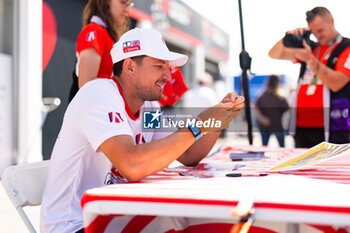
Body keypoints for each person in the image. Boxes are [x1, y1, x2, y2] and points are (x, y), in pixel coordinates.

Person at [40, 28, 245, 233]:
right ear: (129, 67)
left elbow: (188, 154)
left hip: (112, 216)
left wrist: (217, 121)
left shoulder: (149, 106)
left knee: (191, 223)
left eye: (167, 67)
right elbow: (132, 164)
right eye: (158, 66)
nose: (167, 76)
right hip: (74, 226)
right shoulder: (97, 95)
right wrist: (199, 123)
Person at [269, 6, 350, 147]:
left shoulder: (346, 47)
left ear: (331, 21)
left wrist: (310, 60)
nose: (318, 36)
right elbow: (274, 54)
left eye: (320, 30)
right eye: (313, 32)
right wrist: (289, 36)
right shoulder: (310, 48)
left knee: (329, 169)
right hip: (302, 127)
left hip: (333, 128)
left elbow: (337, 83)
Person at [68, 0, 133, 102]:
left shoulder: (107, 34)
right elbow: (86, 84)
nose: (128, 9)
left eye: (130, 4)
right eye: (123, 2)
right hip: (92, 110)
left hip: (104, 107)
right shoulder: (95, 31)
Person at [255, 75, 289, 147]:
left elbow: (256, 107)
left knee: (264, 147)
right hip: (276, 125)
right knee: (282, 148)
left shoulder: (262, 95)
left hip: (267, 125)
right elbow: (287, 107)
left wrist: (262, 118)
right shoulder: (280, 96)